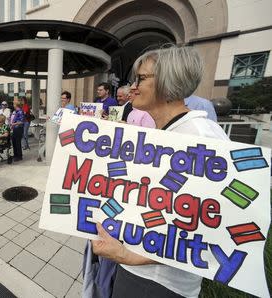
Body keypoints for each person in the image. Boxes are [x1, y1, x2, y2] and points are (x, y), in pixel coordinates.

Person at [91, 46, 229, 297]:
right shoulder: (167, 133)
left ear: (167, 81)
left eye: (141, 79)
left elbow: (206, 231)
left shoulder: (199, 136)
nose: (132, 87)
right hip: (137, 269)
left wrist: (128, 256)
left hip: (158, 283)